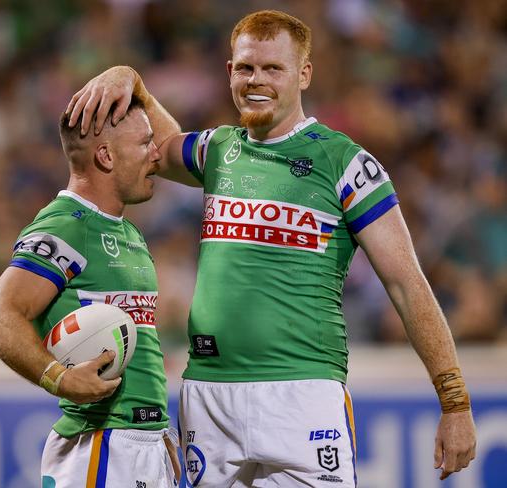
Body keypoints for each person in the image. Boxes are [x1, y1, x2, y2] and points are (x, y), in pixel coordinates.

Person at [66, 10, 477, 487]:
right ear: (229, 72)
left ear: (304, 73)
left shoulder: (344, 163)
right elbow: (157, 146)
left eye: (272, 69)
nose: (256, 80)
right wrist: (131, 80)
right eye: (245, 68)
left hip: (301, 395)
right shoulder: (220, 149)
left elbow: (407, 284)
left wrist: (455, 402)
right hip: (208, 397)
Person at [0, 96, 180, 488]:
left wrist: (155, 430)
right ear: (105, 155)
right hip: (100, 445)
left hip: (142, 444)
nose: (156, 154)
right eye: (143, 143)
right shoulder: (66, 226)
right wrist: (57, 377)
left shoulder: (128, 231)